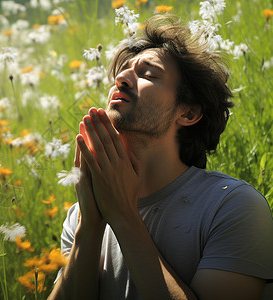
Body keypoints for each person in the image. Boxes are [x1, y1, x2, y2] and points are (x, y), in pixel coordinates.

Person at [48, 14, 273, 300]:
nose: (121, 78)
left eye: (148, 74)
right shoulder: (81, 215)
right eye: (123, 71)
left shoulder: (232, 206)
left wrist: (123, 215)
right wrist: (89, 226)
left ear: (188, 113)